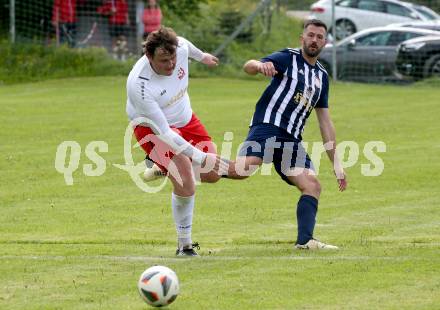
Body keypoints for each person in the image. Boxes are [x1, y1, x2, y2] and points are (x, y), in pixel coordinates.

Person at [228, 19, 348, 250]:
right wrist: (259, 66)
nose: (314, 40)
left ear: (325, 42)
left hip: (291, 141)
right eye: (310, 35)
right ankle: (193, 163)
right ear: (302, 38)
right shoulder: (288, 57)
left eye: (319, 37)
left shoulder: (322, 77)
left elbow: (325, 121)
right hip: (267, 127)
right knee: (242, 170)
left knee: (312, 185)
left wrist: (337, 164)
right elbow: (249, 66)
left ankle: (305, 241)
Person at [126, 27, 228, 257]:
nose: (171, 65)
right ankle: (185, 246)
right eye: (164, 61)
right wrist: (201, 156)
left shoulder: (179, 46)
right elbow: (164, 133)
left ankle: (161, 168)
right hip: (153, 128)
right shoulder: (139, 85)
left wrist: (203, 57)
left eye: (172, 58)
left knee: (212, 174)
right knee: (186, 180)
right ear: (149, 57)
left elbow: (188, 48)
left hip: (185, 118)